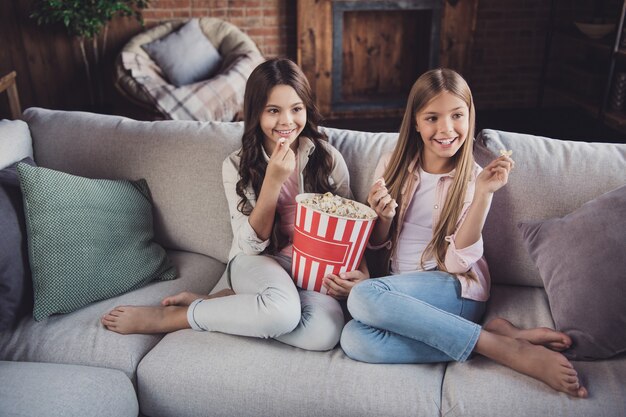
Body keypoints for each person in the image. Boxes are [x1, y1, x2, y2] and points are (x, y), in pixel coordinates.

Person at [339, 68, 588, 398]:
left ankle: (506, 351)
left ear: (470, 117)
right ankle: (493, 338)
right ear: (415, 122)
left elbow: (458, 265)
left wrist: (484, 194)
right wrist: (382, 217)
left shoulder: (473, 177)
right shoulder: (392, 165)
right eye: (432, 117)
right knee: (354, 339)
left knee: (362, 296)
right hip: (403, 294)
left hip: (453, 289)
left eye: (457, 115)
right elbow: (378, 245)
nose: (446, 128)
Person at [101, 58, 368, 351]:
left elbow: (351, 225)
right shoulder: (237, 165)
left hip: (308, 271)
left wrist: (362, 274)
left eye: (296, 109)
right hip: (257, 261)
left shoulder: (327, 159)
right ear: (257, 113)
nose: (286, 122)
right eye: (273, 111)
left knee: (324, 334)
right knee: (282, 312)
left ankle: (230, 304)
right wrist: (273, 182)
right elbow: (251, 245)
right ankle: (176, 318)